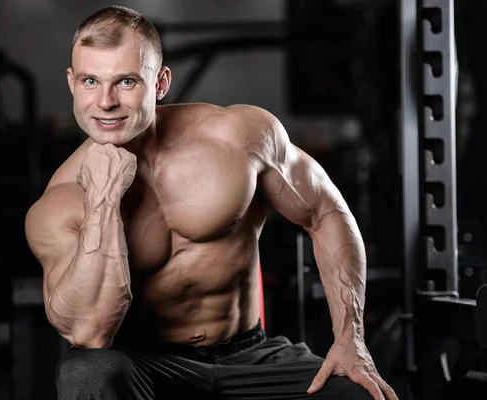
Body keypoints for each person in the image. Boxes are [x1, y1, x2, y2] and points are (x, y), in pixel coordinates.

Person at [24, 5, 398, 400]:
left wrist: (350, 339)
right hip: (145, 366)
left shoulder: (239, 136)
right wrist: (103, 200)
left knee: (360, 394)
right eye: (89, 81)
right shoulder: (60, 202)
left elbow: (326, 212)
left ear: (160, 82)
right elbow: (90, 333)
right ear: (71, 82)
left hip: (251, 357)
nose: (105, 102)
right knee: (87, 374)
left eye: (126, 82)